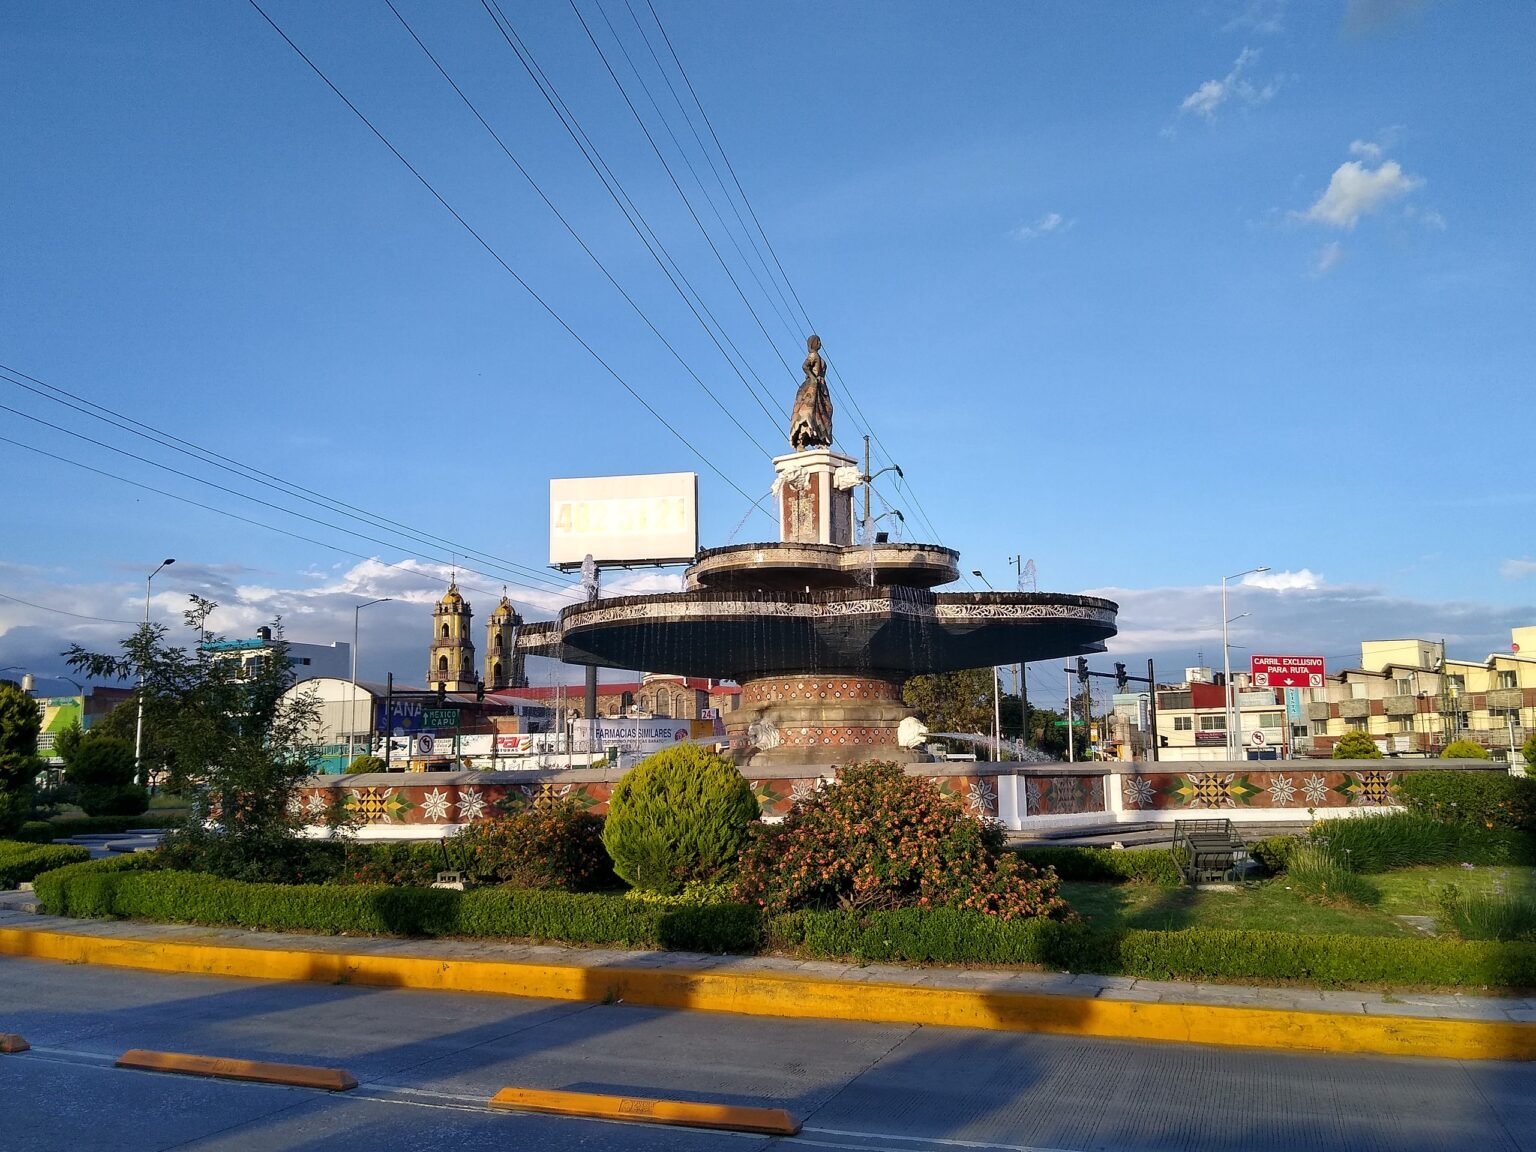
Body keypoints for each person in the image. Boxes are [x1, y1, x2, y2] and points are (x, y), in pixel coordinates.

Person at [788, 334, 833, 450]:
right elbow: (805, 366)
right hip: (812, 387)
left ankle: (821, 439)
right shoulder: (813, 355)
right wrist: (813, 377)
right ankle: (801, 440)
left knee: (826, 410)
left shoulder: (819, 357)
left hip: (821, 388)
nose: (820, 344)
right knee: (809, 412)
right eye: (818, 341)